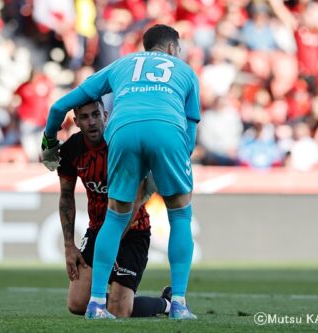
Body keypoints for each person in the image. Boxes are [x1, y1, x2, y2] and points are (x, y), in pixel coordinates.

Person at [42, 24, 200, 320]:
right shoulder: (185, 71)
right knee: (180, 214)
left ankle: (96, 305)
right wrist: (171, 166)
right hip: (168, 131)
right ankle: (178, 303)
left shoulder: (122, 65)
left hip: (122, 130)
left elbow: (58, 107)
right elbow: (189, 137)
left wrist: (48, 142)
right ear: (171, 49)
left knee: (115, 216)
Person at [57, 99, 171, 318]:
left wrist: (113, 244)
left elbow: (136, 200)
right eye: (84, 117)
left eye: (95, 115)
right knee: (77, 303)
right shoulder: (72, 149)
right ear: (76, 121)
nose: (91, 122)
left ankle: (164, 302)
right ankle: (121, 302)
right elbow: (66, 197)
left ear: (106, 116)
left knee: (119, 310)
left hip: (133, 230)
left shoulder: (122, 145)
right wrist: (69, 246)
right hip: (97, 230)